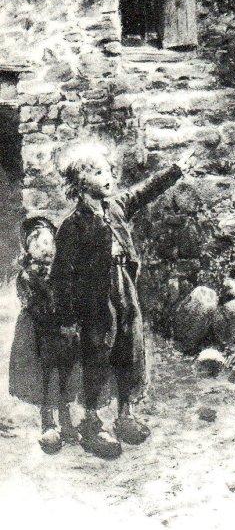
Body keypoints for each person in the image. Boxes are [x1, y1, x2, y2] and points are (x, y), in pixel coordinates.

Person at [49, 141, 195, 459]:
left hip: (123, 288)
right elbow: (60, 277)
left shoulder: (115, 207)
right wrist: (67, 319)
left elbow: (144, 191)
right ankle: (92, 422)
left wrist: (175, 171)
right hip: (94, 301)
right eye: (99, 173)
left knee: (129, 347)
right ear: (80, 182)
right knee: (97, 354)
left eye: (109, 172)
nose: (109, 178)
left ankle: (125, 415)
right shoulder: (72, 226)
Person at [8, 216, 80, 454]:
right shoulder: (27, 276)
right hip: (40, 334)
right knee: (46, 375)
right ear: (29, 249)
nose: (47, 250)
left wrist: (71, 321)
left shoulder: (62, 273)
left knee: (66, 373)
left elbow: (70, 299)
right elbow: (35, 307)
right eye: (40, 245)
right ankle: (48, 422)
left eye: (50, 244)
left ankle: (66, 419)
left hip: (63, 333)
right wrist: (56, 323)